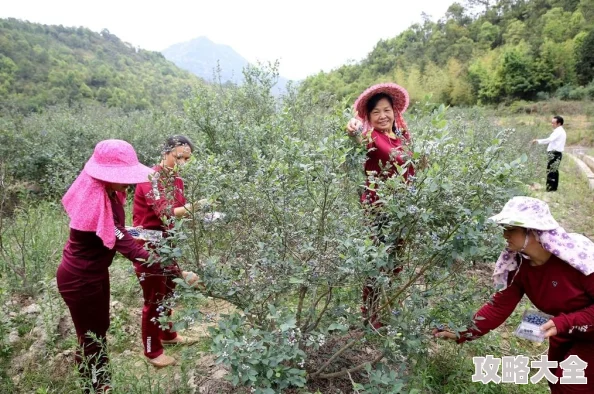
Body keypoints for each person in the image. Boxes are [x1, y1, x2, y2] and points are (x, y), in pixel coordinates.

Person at [433, 196, 594, 393]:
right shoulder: (520, 267)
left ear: (534, 231)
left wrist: (565, 322)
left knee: (571, 385)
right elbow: (498, 307)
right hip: (564, 332)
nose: (505, 235)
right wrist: (463, 331)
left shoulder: (578, 261)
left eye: (511, 229)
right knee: (556, 381)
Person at [57, 139, 155, 393]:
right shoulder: (96, 198)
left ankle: (101, 381)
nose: (129, 181)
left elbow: (119, 230)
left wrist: (147, 234)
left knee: (98, 329)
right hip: (79, 278)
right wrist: (172, 268)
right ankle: (97, 386)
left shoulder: (107, 193)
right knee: (91, 336)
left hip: (94, 273)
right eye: (123, 175)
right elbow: (125, 244)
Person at [345, 83, 416, 328]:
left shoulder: (402, 137)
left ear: (394, 111)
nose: (382, 116)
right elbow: (354, 135)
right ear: (369, 117)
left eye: (386, 110)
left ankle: (385, 305)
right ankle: (370, 314)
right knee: (377, 262)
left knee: (395, 262)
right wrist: (352, 127)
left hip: (404, 209)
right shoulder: (370, 137)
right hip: (379, 210)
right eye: (376, 112)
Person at [132, 136, 202, 368]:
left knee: (169, 292)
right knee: (154, 299)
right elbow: (166, 212)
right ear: (165, 153)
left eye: (187, 158)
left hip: (168, 244)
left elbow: (177, 215)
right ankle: (152, 351)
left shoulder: (177, 179)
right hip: (148, 246)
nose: (182, 162)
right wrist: (197, 207)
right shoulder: (150, 178)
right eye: (178, 157)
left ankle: (168, 336)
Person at [531, 116, 567, 192]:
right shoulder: (560, 131)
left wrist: (537, 141)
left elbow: (549, 140)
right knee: (554, 171)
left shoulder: (558, 131)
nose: (552, 124)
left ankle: (550, 189)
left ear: (559, 123)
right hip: (556, 153)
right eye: (552, 123)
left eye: (553, 123)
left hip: (554, 153)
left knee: (551, 171)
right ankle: (553, 188)